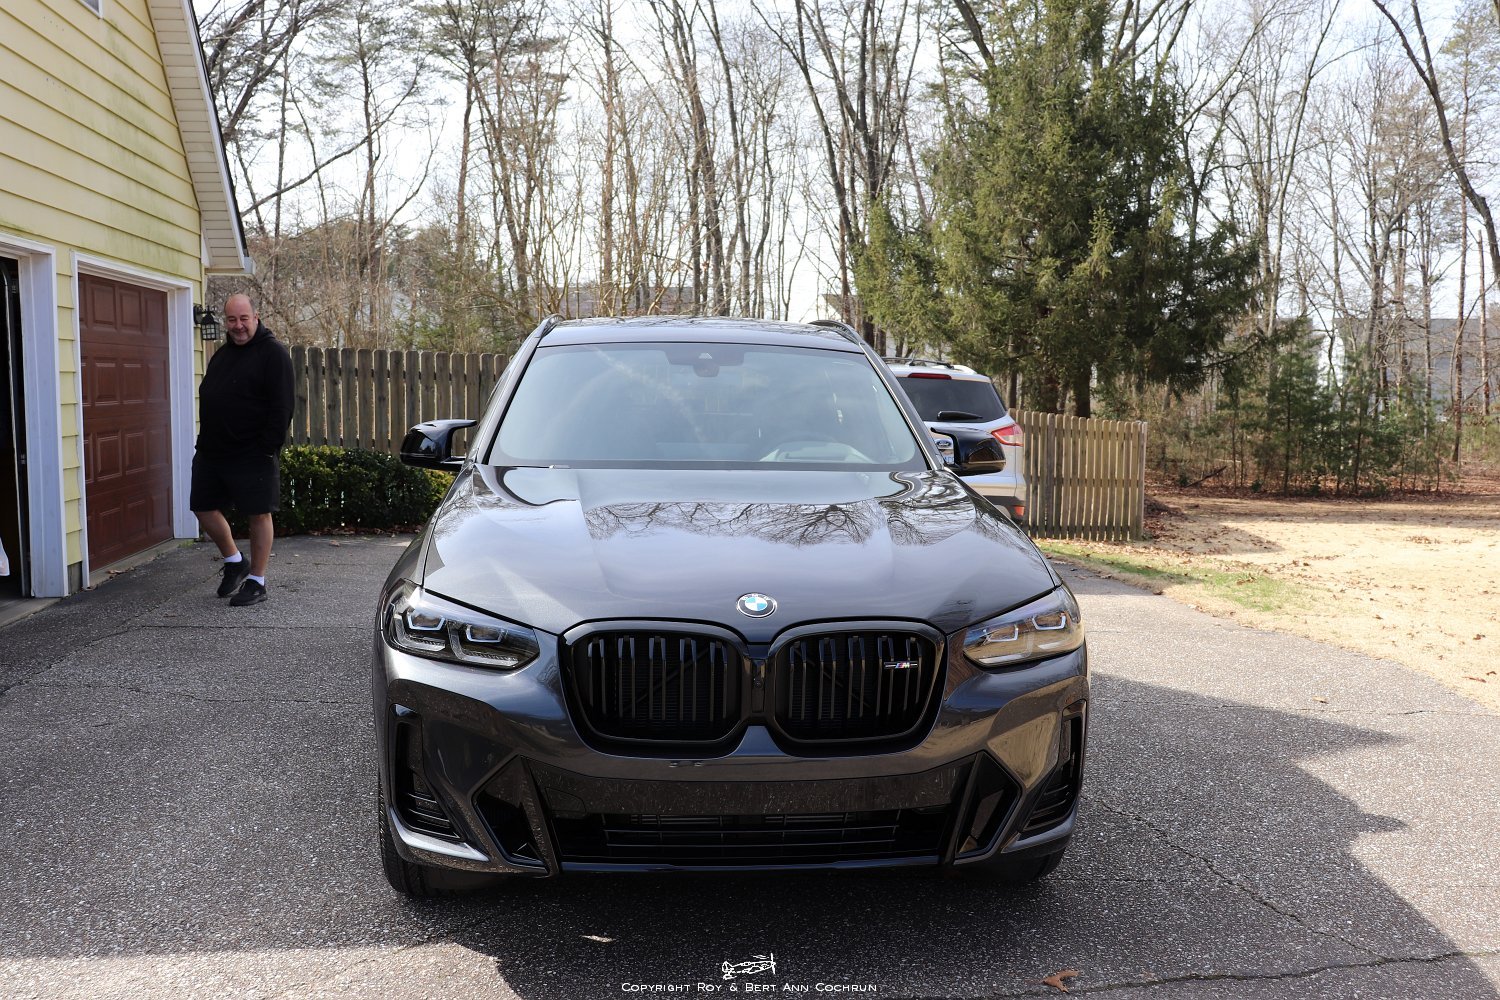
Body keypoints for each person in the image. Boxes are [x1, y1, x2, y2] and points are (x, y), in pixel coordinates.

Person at [190, 293, 294, 606]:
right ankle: (235, 561)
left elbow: (282, 406)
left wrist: (267, 447)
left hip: (253, 451)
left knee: (258, 513)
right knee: (202, 506)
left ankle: (257, 581)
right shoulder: (222, 355)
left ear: (256, 318)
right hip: (212, 450)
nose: (238, 325)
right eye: (232, 319)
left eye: (244, 318)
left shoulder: (273, 354)